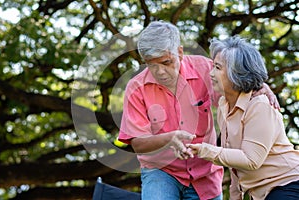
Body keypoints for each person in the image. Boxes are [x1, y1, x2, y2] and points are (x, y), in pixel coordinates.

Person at [118, 21, 278, 200]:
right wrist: (169, 139)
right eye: (151, 65)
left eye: (166, 62)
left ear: (179, 52)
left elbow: (237, 84)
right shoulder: (135, 88)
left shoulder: (206, 69)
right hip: (161, 172)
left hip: (205, 172)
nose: (160, 71)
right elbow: (137, 143)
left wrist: (261, 87)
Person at [186, 36, 299, 200]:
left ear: (236, 73)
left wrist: (204, 149)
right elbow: (235, 163)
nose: (210, 74)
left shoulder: (259, 106)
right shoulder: (225, 105)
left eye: (218, 68)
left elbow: (250, 159)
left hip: (289, 184)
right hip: (265, 192)